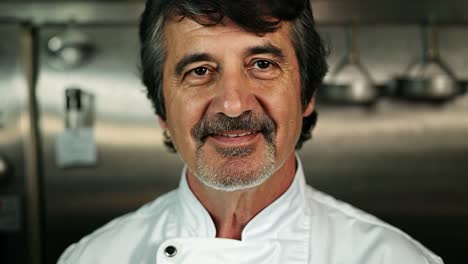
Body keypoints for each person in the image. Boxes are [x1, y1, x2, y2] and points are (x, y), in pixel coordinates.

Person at [58, 0, 443, 263]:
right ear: (162, 109)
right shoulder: (93, 257)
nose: (233, 104)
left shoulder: (392, 258)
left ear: (306, 93)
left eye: (261, 64)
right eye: (199, 71)